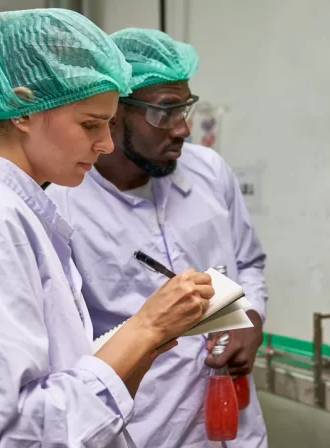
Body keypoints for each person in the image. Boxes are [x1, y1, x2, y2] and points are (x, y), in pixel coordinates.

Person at [0, 11, 215, 448]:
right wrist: (145, 328)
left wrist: (138, 349)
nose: (106, 144)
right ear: (25, 110)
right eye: (90, 124)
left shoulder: (18, 214)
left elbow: (47, 379)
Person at [46, 28, 268, 447]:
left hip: (233, 425)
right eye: (164, 112)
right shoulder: (63, 209)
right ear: (114, 113)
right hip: (143, 429)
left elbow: (249, 262)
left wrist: (251, 318)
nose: (182, 129)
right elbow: (65, 347)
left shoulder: (210, 173)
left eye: (184, 108)